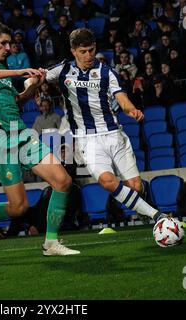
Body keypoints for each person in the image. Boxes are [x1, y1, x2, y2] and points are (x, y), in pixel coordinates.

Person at [0, 21, 79, 256]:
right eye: (3, 43)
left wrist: (33, 87)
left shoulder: (4, 74)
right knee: (18, 207)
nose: (8, 48)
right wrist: (19, 72)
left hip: (22, 134)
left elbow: (17, 102)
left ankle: (51, 243)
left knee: (63, 181)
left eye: (10, 43)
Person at [44, 28, 168, 225]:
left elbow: (122, 99)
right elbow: (37, 77)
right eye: (83, 51)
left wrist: (131, 110)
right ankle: (158, 217)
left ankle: (147, 210)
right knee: (107, 181)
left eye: (91, 50)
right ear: (73, 51)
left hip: (114, 135)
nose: (88, 55)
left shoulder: (107, 72)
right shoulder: (63, 70)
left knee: (135, 187)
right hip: (88, 138)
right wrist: (30, 88)